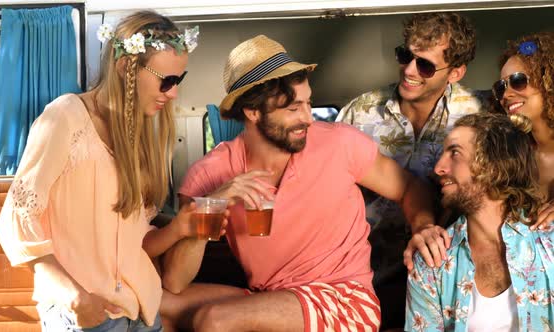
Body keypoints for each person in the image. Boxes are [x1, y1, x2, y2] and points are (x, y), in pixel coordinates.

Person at [158, 35, 437, 332]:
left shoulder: (340, 143)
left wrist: (424, 228)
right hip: (273, 296)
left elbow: (409, 188)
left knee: (214, 320)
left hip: (344, 299)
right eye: (293, 109)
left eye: (308, 103)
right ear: (253, 112)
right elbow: (175, 280)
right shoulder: (209, 173)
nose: (307, 118)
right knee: (156, 305)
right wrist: (212, 206)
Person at [0, 11, 204, 331]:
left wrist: (180, 229)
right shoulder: (64, 117)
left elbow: (133, 245)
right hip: (87, 313)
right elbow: (15, 222)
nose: (173, 92)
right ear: (125, 68)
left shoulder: (139, 137)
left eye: (179, 80)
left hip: (143, 311)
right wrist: (75, 298)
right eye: (167, 80)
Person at [335, 12, 488, 328]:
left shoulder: (480, 115)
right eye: (405, 56)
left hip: (445, 279)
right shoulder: (358, 112)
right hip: (364, 278)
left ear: (456, 72)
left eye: (425, 65)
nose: (409, 70)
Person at [404, 112, 554, 331]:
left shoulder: (548, 241)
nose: (438, 168)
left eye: (454, 153)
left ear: (493, 166)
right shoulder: (433, 261)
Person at [493, 32, 554, 225]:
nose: (507, 94)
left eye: (518, 81)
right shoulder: (510, 154)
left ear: (549, 81)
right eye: (501, 87)